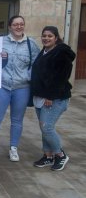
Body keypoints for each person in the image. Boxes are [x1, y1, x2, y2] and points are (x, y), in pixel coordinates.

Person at [0, 15, 40, 162]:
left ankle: (13, 148)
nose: (19, 27)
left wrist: (28, 76)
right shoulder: (0, 42)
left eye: (21, 24)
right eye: (15, 24)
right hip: (1, 85)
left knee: (17, 120)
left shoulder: (31, 44)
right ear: (9, 26)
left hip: (22, 87)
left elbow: (37, 64)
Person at [31, 26, 75, 171]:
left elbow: (61, 77)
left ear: (56, 38)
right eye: (44, 36)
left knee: (47, 127)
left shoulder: (61, 53)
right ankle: (48, 156)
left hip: (55, 98)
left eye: (50, 36)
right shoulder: (44, 51)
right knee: (44, 127)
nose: (46, 38)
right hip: (41, 97)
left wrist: (50, 95)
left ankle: (60, 155)